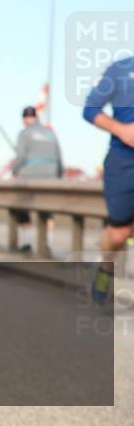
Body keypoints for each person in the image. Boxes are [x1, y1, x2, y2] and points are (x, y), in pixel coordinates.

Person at [83, 55, 134, 304]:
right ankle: (105, 267)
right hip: (123, 162)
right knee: (119, 233)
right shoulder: (120, 69)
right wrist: (122, 130)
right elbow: (90, 109)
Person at [11, 105, 63, 254]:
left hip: (31, 176)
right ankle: (48, 243)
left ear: (24, 119)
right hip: (51, 176)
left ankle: (27, 242)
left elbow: (20, 156)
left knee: (22, 206)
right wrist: (58, 177)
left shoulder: (24, 133)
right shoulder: (50, 133)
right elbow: (59, 157)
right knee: (48, 211)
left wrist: (14, 171)